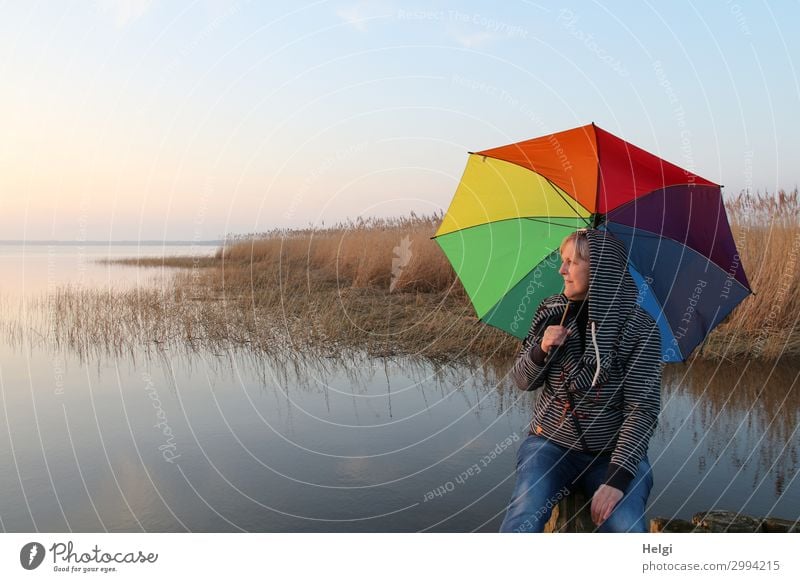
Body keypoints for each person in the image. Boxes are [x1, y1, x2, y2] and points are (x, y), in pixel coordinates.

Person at [499, 228, 663, 533]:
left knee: (627, 527)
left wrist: (615, 481)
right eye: (563, 260)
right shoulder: (551, 311)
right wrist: (541, 349)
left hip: (610, 453)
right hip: (548, 445)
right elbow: (522, 380)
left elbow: (641, 411)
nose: (561, 270)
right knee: (525, 514)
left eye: (572, 262)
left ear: (600, 268)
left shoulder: (640, 328)